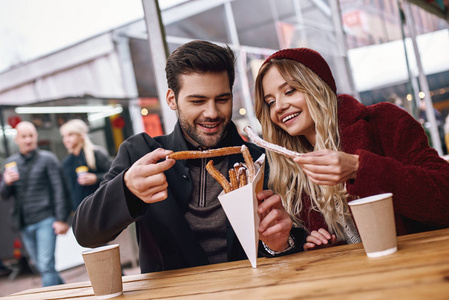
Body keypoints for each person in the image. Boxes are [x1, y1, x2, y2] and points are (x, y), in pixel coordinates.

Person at [72, 40, 306, 273]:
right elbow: (86, 233)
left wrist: (282, 244)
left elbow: (295, 239)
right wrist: (126, 189)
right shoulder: (141, 153)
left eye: (222, 99)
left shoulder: (260, 160)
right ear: (172, 99)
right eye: (197, 101)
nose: (212, 113)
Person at [254, 48, 449, 251]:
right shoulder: (290, 169)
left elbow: (443, 195)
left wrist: (359, 168)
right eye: (270, 102)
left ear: (317, 86)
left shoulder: (385, 121)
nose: (278, 107)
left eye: (289, 91)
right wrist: (321, 243)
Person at [0, 121, 70, 286]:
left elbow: (59, 189)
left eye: (31, 136)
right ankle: (66, 292)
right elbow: (4, 194)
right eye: (24, 136)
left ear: (36, 137)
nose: (28, 140)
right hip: (25, 223)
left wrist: (61, 219)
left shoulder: (48, 159)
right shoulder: (10, 163)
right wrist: (6, 182)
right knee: (43, 266)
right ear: (16, 139)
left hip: (46, 219)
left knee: (45, 265)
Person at [60, 119, 112, 211]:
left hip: (101, 207)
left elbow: (115, 175)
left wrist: (96, 178)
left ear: (81, 136)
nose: (66, 140)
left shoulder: (96, 154)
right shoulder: (66, 162)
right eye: (64, 136)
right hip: (80, 212)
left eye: (70, 135)